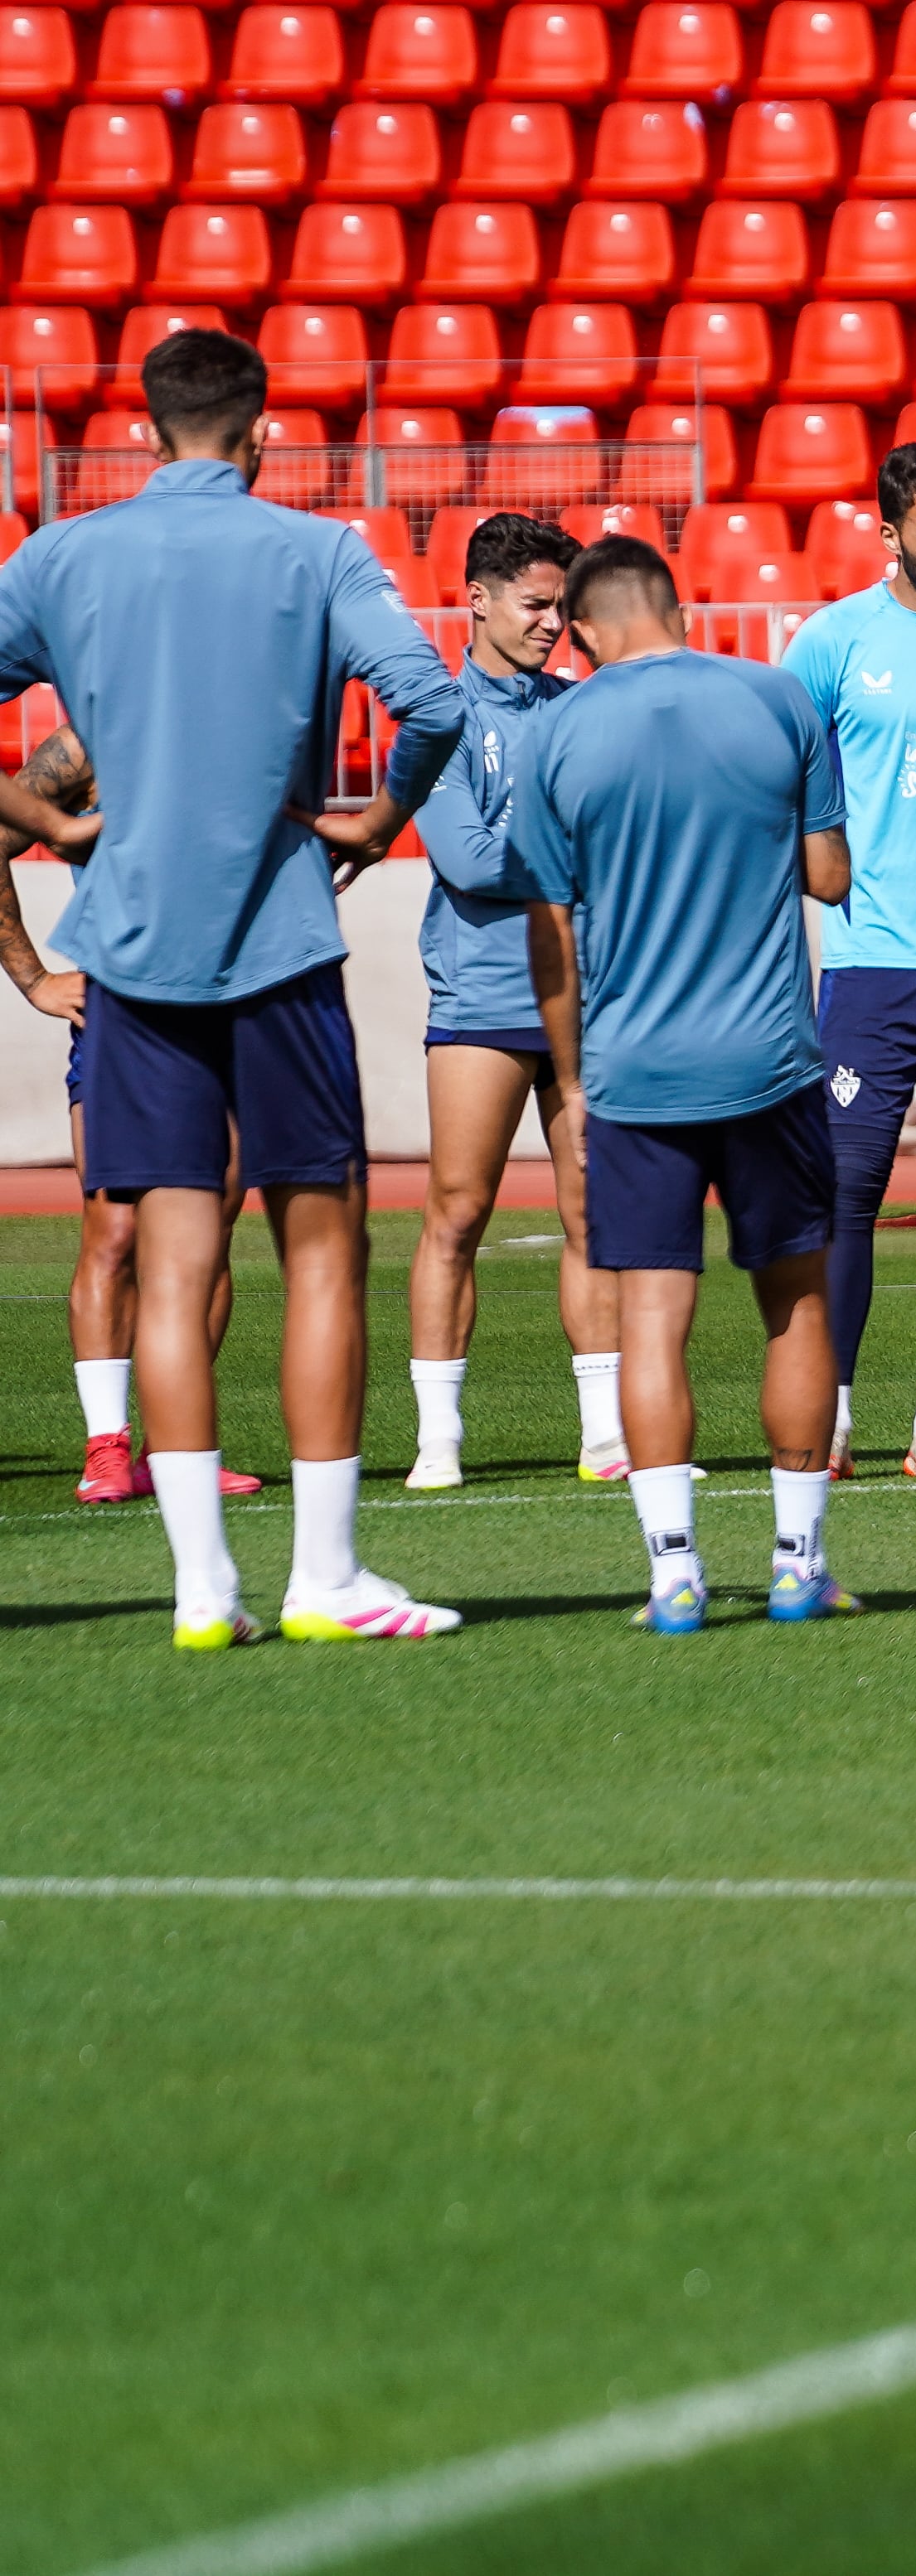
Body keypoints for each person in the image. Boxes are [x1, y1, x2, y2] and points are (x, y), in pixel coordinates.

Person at [0, 326, 466, 1646]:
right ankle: (326, 1578)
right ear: (263, 432)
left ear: (147, 431)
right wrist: (379, 825)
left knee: (171, 1263)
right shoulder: (314, 552)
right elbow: (427, 703)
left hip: (134, 954)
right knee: (321, 1251)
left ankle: (205, 1591)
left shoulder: (63, 555)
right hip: (277, 945)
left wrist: (50, 818)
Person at [512, 538, 858, 1630]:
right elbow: (830, 876)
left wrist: (569, 1085)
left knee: (651, 1323)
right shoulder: (778, 699)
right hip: (769, 1061)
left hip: (633, 1076)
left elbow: (549, 933)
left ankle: (674, 1578)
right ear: (673, 605)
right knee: (794, 1307)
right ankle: (798, 1565)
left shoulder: (556, 730)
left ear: (584, 627)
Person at [780, 438, 916, 1483]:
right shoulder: (829, 644)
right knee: (847, 1194)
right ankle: (828, 1420)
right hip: (871, 966)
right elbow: (775, 785)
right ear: (889, 534)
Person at [403, 512, 624, 1491]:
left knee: (597, 1216)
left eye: (563, 607)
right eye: (537, 605)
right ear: (479, 598)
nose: (552, 624)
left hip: (585, 995)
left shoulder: (580, 706)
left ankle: (607, 1438)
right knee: (457, 1213)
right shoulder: (439, 715)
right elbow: (467, 858)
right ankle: (438, 1442)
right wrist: (577, 851)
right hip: (484, 994)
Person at [0, 726, 263, 1504]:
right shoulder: (88, 743)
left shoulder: (254, 721)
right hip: (125, 1017)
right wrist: (35, 980)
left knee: (211, 1227)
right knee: (113, 1231)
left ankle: (173, 1447)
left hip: (238, 1008)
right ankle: (107, 1446)